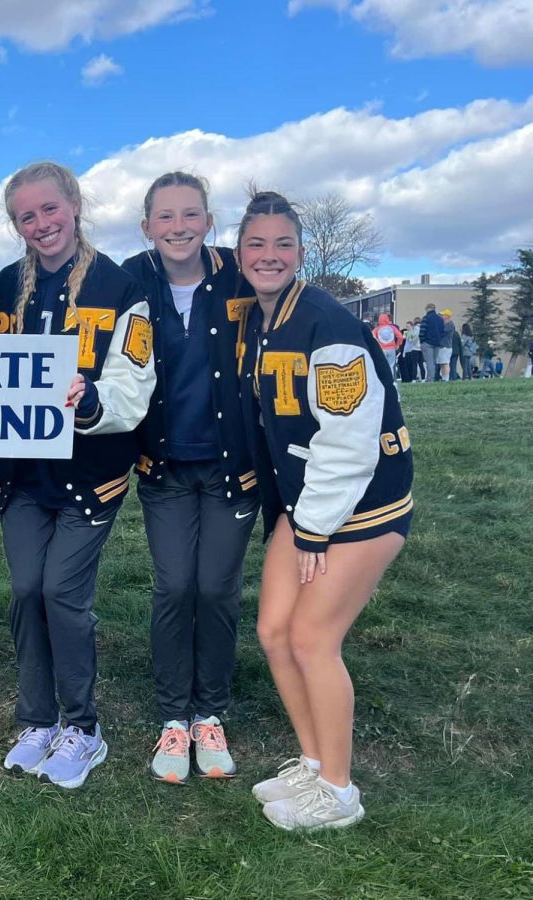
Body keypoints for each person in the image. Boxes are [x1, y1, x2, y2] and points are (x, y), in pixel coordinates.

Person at [234, 191, 412, 831]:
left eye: (283, 244)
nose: (269, 255)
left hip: (362, 503)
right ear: (240, 252)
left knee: (312, 638)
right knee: (274, 632)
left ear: (301, 253)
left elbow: (348, 442)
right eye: (257, 244)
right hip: (307, 504)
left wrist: (311, 529)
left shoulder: (327, 323)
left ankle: (339, 793)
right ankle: (314, 764)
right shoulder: (263, 317)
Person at [0, 162, 155, 789]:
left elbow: (132, 388)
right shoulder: (6, 287)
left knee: (63, 592)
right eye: (26, 217)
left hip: (92, 473)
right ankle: (37, 719)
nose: (41, 224)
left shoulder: (120, 286)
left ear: (74, 205)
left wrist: (90, 404)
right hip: (23, 475)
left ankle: (82, 727)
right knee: (27, 590)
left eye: (49, 210)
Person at [120, 172, 258, 784]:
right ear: (147, 224)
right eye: (165, 216)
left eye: (191, 215)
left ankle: (211, 713)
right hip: (164, 468)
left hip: (234, 466)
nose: (179, 227)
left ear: (208, 220)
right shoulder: (128, 279)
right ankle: (174, 718)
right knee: (175, 587)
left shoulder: (241, 273)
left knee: (215, 589)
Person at [419, 304, 443, 382]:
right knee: (433, 362)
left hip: (427, 342)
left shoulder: (426, 318)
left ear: (428, 309)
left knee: (429, 362)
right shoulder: (440, 319)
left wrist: (422, 340)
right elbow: (442, 331)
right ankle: (432, 377)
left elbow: (422, 331)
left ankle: (430, 379)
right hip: (437, 343)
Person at [372, 314, 400, 379]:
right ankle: (391, 379)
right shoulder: (393, 328)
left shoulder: (377, 329)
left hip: (381, 349)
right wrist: (397, 344)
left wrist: (377, 345)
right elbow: (400, 336)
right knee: (391, 365)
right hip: (391, 348)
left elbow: (372, 336)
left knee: (382, 365)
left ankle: (383, 379)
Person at [439, 309, 456, 382]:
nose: (442, 316)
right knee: (442, 363)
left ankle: (446, 378)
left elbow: (442, 332)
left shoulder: (450, 325)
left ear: (447, 316)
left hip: (446, 346)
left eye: (443, 315)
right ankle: (443, 377)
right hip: (442, 346)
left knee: (445, 363)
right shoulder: (445, 324)